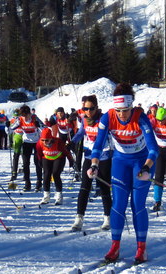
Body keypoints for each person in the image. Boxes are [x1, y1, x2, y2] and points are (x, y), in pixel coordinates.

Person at [88, 82, 158, 264]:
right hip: (120, 161)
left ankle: (141, 248)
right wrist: (94, 165)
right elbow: (98, 145)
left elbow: (154, 149)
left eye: (125, 110)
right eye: (118, 110)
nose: (121, 114)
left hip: (141, 162)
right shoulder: (108, 117)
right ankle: (115, 246)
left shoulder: (141, 118)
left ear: (131, 106)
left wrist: (147, 167)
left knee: (137, 205)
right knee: (118, 204)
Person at [71, 95, 111, 231]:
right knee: (84, 187)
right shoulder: (84, 119)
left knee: (104, 188)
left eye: (91, 108)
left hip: (103, 156)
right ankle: (79, 218)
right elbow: (81, 132)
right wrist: (72, 142)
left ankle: (108, 217)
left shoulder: (103, 119)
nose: (88, 111)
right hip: (88, 156)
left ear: (96, 107)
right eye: (85, 109)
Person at [36, 126, 74, 205]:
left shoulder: (58, 142)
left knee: (56, 174)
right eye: (43, 140)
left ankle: (59, 196)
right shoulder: (39, 143)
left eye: (47, 140)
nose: (45, 142)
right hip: (46, 158)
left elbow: (66, 151)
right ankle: (46, 196)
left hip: (58, 158)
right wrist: (39, 160)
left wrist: (70, 160)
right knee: (46, 175)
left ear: (51, 138)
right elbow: (39, 153)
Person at [16, 105, 44, 192]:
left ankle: (39, 183)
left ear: (29, 114)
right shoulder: (20, 119)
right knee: (25, 163)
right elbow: (11, 128)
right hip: (26, 142)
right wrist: (8, 126)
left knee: (37, 162)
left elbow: (45, 127)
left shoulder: (34, 118)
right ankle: (27, 183)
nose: (25, 118)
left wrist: (39, 125)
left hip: (36, 142)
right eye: (23, 116)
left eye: (26, 115)